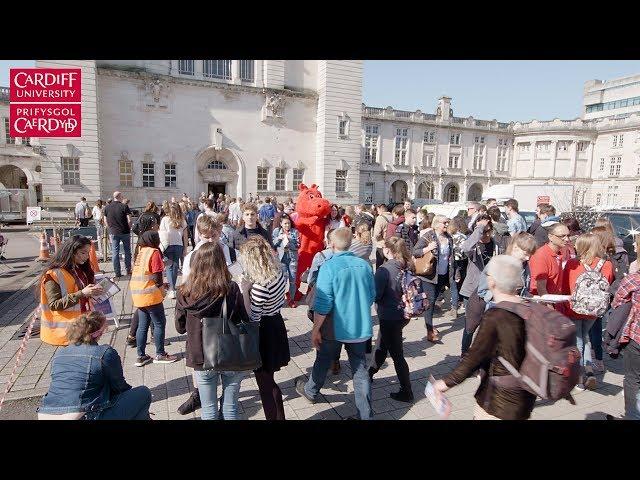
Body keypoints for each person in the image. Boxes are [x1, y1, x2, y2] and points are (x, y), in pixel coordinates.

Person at [432, 255, 538, 420]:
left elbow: (474, 357)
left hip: (498, 400)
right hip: (525, 396)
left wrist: (445, 383)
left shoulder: (496, 316)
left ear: (492, 282)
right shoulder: (530, 308)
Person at [295, 228, 375, 420]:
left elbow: (323, 304)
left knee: (323, 359)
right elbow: (371, 296)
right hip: (359, 325)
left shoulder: (329, 267)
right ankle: (365, 415)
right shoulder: (364, 265)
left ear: (331, 244)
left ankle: (311, 391)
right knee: (360, 368)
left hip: (334, 325)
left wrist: (315, 329)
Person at [175, 243, 249, 420]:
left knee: (208, 410)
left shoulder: (185, 292)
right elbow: (243, 319)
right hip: (229, 352)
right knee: (230, 408)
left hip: (201, 355)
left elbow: (180, 327)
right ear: (221, 262)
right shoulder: (230, 288)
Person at [38, 311, 152, 420]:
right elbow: (120, 387)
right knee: (143, 393)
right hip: (83, 415)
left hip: (46, 413)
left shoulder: (59, 354)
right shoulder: (104, 353)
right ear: (98, 333)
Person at [239, 236, 291, 420]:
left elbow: (254, 317)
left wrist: (245, 290)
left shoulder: (260, 286)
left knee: (265, 385)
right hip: (276, 324)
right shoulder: (277, 273)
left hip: (264, 333)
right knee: (270, 380)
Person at [463, 232, 537, 356]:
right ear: (515, 248)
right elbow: (483, 290)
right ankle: (465, 355)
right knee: (471, 330)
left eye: (530, 254)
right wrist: (508, 297)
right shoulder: (498, 263)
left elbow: (524, 288)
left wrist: (532, 297)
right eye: (526, 253)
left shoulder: (525, 265)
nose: (528, 258)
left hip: (510, 308)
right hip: (486, 304)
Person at [561, 233, 614, 391]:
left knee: (578, 342)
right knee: (584, 339)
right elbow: (608, 284)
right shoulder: (606, 264)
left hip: (575, 308)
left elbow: (565, 287)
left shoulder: (572, 263)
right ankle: (590, 373)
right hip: (594, 310)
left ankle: (579, 378)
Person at [368, 237, 414, 403]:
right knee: (382, 344)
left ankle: (406, 391)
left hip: (389, 315)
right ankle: (370, 372)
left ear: (388, 250)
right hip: (403, 314)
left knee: (397, 355)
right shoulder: (407, 265)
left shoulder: (384, 270)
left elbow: (376, 294)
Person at [39, 235, 104, 346]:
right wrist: (82, 293)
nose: (87, 257)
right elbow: (54, 304)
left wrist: (92, 292)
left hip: (83, 327)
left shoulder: (79, 269)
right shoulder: (53, 274)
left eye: (88, 253)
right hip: (66, 332)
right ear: (72, 252)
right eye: (83, 253)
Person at [130, 231, 177, 366]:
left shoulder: (141, 251)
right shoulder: (154, 252)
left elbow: (146, 274)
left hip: (138, 293)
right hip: (150, 294)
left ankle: (141, 356)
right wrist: (162, 290)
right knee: (159, 323)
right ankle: (160, 354)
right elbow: (156, 277)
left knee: (142, 326)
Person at [589, 226, 628, 374]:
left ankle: (597, 358)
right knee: (596, 328)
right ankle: (597, 356)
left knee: (596, 329)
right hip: (607, 296)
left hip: (602, 296)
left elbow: (614, 278)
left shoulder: (608, 258)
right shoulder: (614, 255)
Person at [413, 215, 454, 343]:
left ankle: (427, 321)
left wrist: (454, 273)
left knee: (434, 299)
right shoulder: (428, 236)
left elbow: (450, 257)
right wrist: (428, 248)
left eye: (447, 222)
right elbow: (415, 251)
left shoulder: (449, 238)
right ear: (436, 224)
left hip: (442, 275)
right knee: (430, 301)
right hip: (429, 275)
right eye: (444, 223)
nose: (447, 225)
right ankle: (430, 331)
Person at [611, 270, 640, 419]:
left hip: (637, 337)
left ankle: (633, 416)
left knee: (633, 379)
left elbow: (617, 302)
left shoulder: (634, 279)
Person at [528, 222, 569, 298]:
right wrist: (550, 308)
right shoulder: (541, 255)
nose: (567, 239)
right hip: (544, 304)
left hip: (556, 301)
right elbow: (541, 288)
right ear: (550, 237)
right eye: (562, 236)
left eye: (568, 235)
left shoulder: (559, 253)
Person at [159, 203, 187, 299]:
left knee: (169, 267)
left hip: (168, 245)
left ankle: (172, 289)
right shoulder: (182, 221)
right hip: (179, 245)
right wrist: (185, 248)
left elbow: (161, 234)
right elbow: (185, 236)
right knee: (175, 266)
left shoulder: (165, 220)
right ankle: (172, 288)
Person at [103, 191, 132, 278]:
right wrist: (129, 228)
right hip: (125, 231)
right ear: (120, 197)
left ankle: (117, 272)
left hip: (113, 232)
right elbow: (129, 220)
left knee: (115, 252)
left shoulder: (107, 207)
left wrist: (110, 228)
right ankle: (128, 269)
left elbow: (105, 220)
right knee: (127, 251)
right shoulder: (124, 206)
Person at [272, 215, 300, 308]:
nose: (287, 225)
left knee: (293, 280)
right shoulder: (276, 231)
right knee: (282, 280)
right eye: (285, 223)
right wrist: (279, 238)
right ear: (281, 224)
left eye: (289, 223)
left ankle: (291, 299)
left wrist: (290, 241)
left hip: (292, 258)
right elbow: (272, 244)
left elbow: (298, 245)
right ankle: (280, 299)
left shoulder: (295, 232)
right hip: (281, 258)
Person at [449, 217, 468, 315]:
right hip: (462, 261)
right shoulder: (464, 237)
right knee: (462, 282)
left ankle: (454, 307)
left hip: (453, 262)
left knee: (453, 284)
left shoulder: (451, 236)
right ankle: (463, 304)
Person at [373, 204, 392, 269]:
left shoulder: (380, 218)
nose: (377, 212)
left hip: (381, 244)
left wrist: (377, 239)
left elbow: (377, 233)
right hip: (391, 244)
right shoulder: (392, 217)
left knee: (379, 265)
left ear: (380, 209)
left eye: (377, 209)